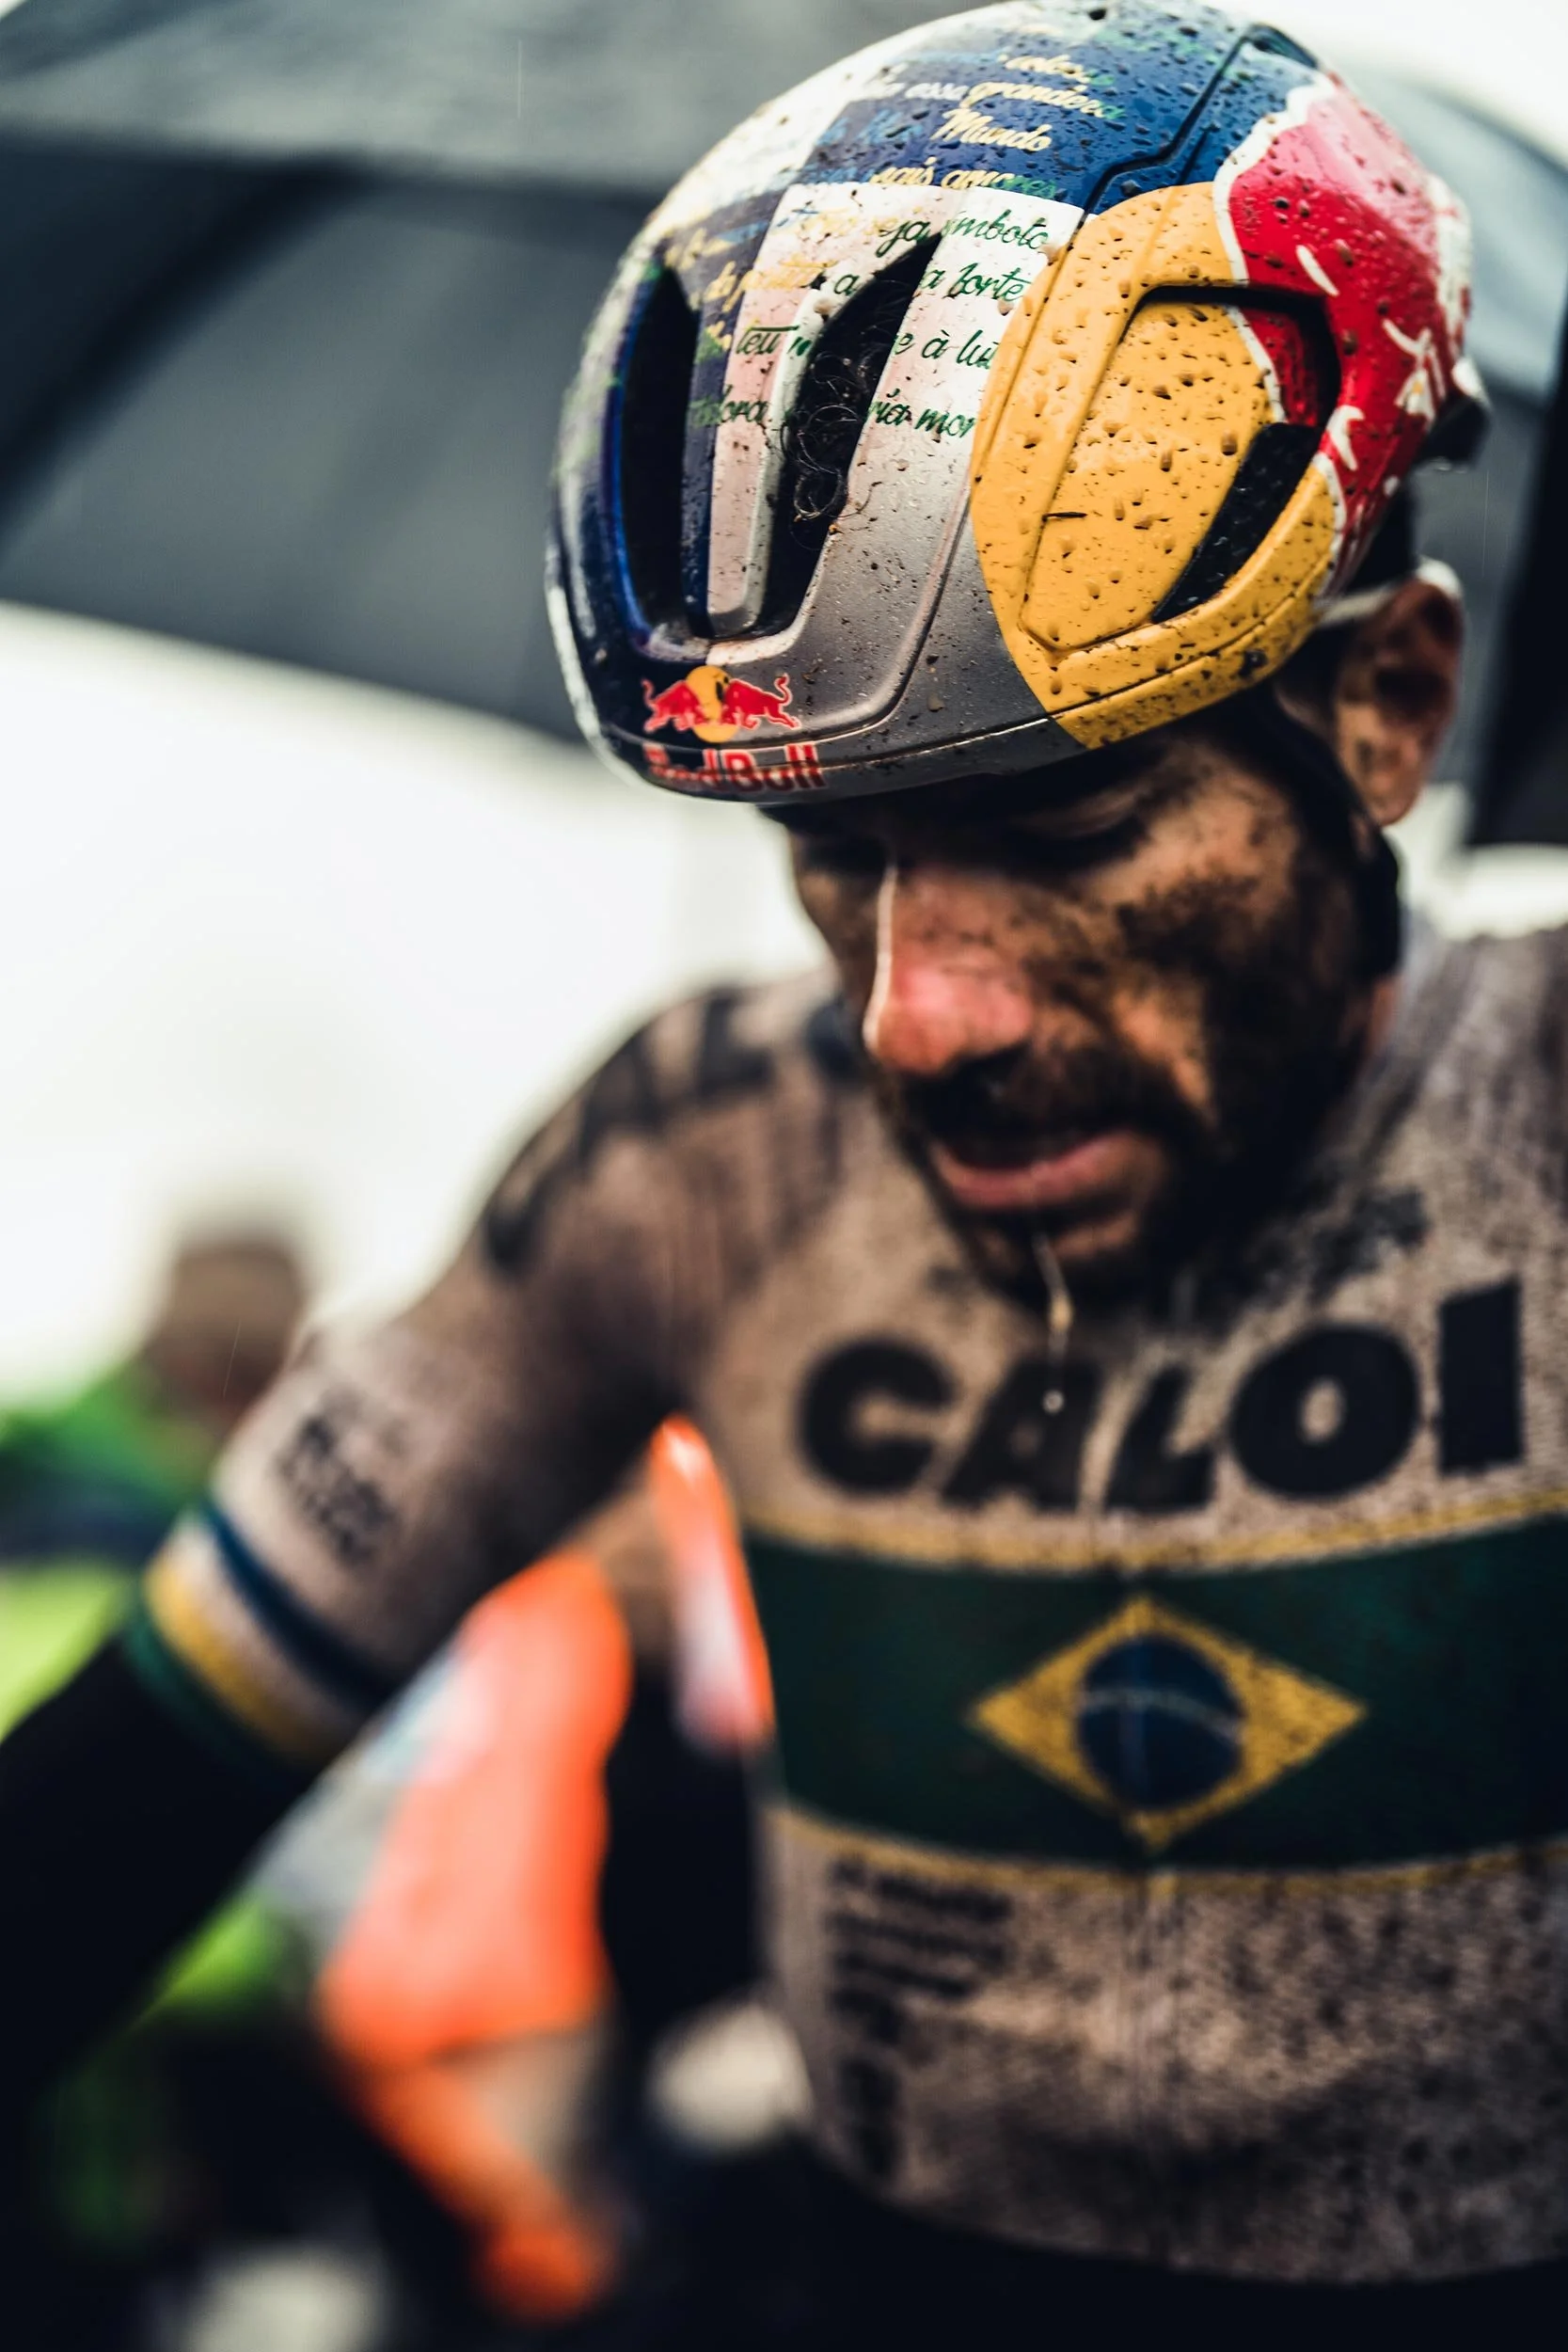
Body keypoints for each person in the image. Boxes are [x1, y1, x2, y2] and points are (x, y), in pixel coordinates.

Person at [0, 0, 1553, 2335]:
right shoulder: (701, 1153)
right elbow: (123, 1795)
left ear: (1384, 705)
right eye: (829, 852)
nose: (910, 1010)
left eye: (1063, 831)